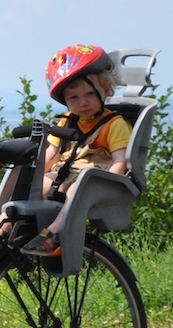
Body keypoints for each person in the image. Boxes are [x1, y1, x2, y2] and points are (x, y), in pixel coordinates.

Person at [22, 45, 130, 257]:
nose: (83, 103)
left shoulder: (114, 124)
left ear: (106, 90)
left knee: (75, 191)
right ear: (65, 101)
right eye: (74, 98)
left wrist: (107, 180)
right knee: (34, 187)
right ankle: (5, 229)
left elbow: (120, 160)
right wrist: (33, 172)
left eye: (90, 94)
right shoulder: (66, 122)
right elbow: (52, 154)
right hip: (65, 173)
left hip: (93, 176)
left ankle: (55, 231)